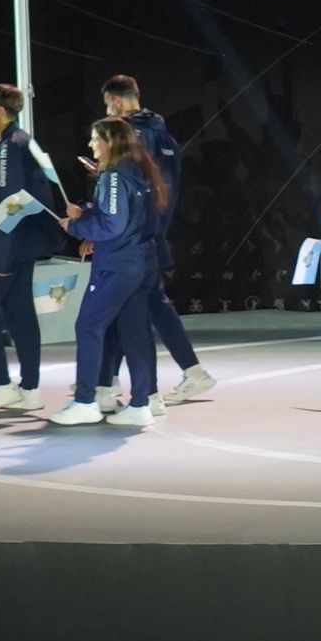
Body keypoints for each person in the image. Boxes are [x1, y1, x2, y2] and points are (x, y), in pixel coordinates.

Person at [46, 114, 173, 428]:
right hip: (142, 262)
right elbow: (127, 219)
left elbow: (112, 224)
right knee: (134, 333)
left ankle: (86, 400)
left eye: (94, 138)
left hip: (118, 265)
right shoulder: (140, 171)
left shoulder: (114, 176)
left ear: (109, 141)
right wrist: (89, 213)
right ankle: (141, 403)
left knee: (88, 327)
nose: (90, 144)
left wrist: (76, 225)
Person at [95, 75, 216, 403]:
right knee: (152, 305)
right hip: (154, 232)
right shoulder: (164, 135)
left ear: (117, 101)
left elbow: (132, 188)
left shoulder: (131, 134)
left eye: (108, 105)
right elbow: (161, 187)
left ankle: (115, 387)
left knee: (126, 308)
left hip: (135, 237)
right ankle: (190, 373)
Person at [0, 88, 60, 412]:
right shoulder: (22, 140)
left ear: (1, 110)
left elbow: (12, 203)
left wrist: (2, 258)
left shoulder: (9, 147)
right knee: (20, 313)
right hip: (26, 242)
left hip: (13, 245)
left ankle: (2, 384)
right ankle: (30, 389)